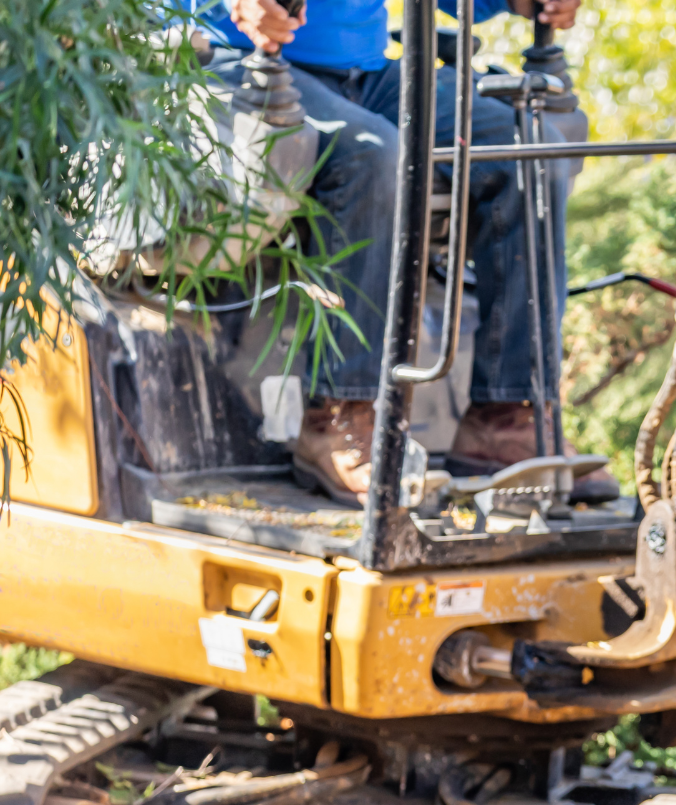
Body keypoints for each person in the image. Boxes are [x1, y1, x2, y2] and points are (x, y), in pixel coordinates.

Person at [208, 0, 617, 504]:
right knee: (376, 155)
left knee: (530, 149)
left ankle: (505, 417)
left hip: (368, 74)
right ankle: (336, 416)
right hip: (233, 60)